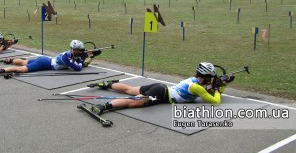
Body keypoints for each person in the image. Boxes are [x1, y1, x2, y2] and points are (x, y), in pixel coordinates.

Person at [88, 62, 234, 115]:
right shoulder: (197, 87)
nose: (211, 81)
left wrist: (220, 86)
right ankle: (103, 106)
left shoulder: (196, 82)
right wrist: (217, 89)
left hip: (161, 89)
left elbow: (211, 92)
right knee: (132, 101)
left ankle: (106, 84)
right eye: (210, 78)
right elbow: (215, 101)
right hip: (162, 94)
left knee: (129, 89)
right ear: (206, 76)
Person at [0, 40, 92, 77]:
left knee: (24, 62)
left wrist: (90, 55)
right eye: (80, 50)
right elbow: (77, 68)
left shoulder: (71, 54)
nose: (81, 52)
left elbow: (76, 59)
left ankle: (10, 60)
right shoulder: (66, 57)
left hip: (45, 60)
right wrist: (82, 60)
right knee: (21, 69)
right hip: (44, 64)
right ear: (74, 49)